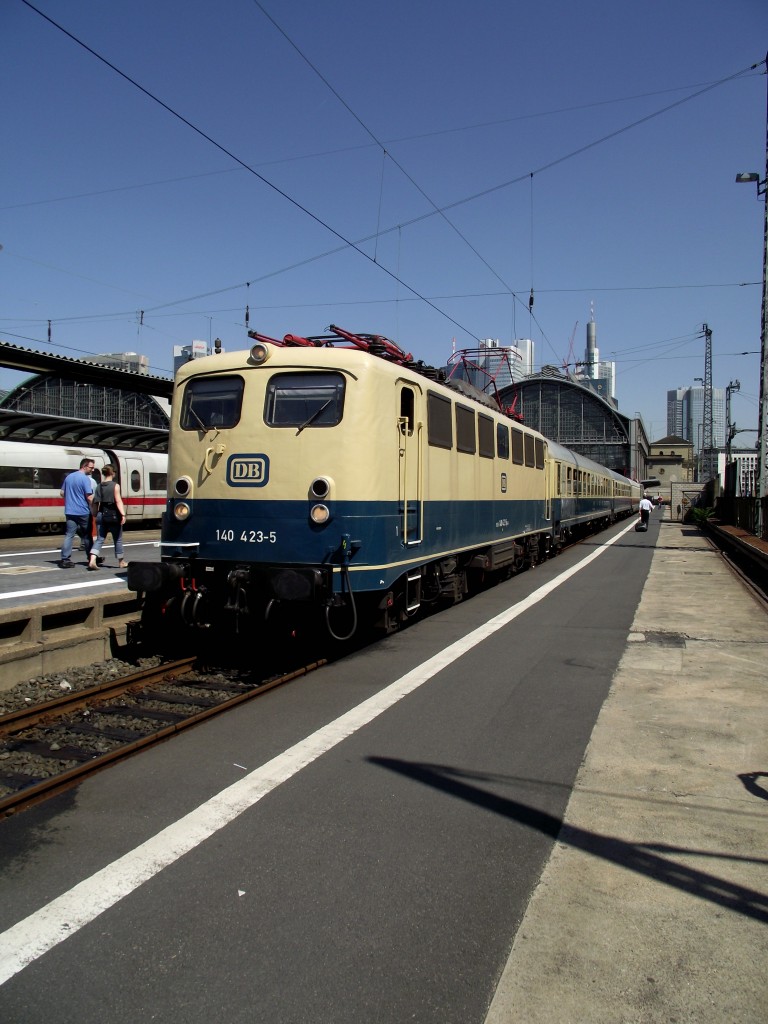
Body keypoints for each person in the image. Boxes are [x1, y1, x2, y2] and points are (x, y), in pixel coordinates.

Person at [88, 465, 127, 570]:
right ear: (113, 473)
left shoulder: (99, 486)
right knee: (117, 539)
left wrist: (95, 514)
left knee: (99, 539)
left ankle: (92, 560)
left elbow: (95, 503)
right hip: (113, 514)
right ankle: (121, 562)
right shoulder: (115, 486)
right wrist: (123, 514)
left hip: (101, 514)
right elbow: (118, 501)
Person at [59, 457, 96, 568]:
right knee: (87, 536)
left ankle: (65, 559)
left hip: (70, 511)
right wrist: (96, 507)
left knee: (69, 535)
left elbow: (61, 493)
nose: (92, 470)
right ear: (84, 466)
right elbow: (89, 497)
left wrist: (71, 498)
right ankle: (91, 558)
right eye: (91, 467)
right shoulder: (85, 479)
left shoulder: (69, 477)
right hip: (83, 511)